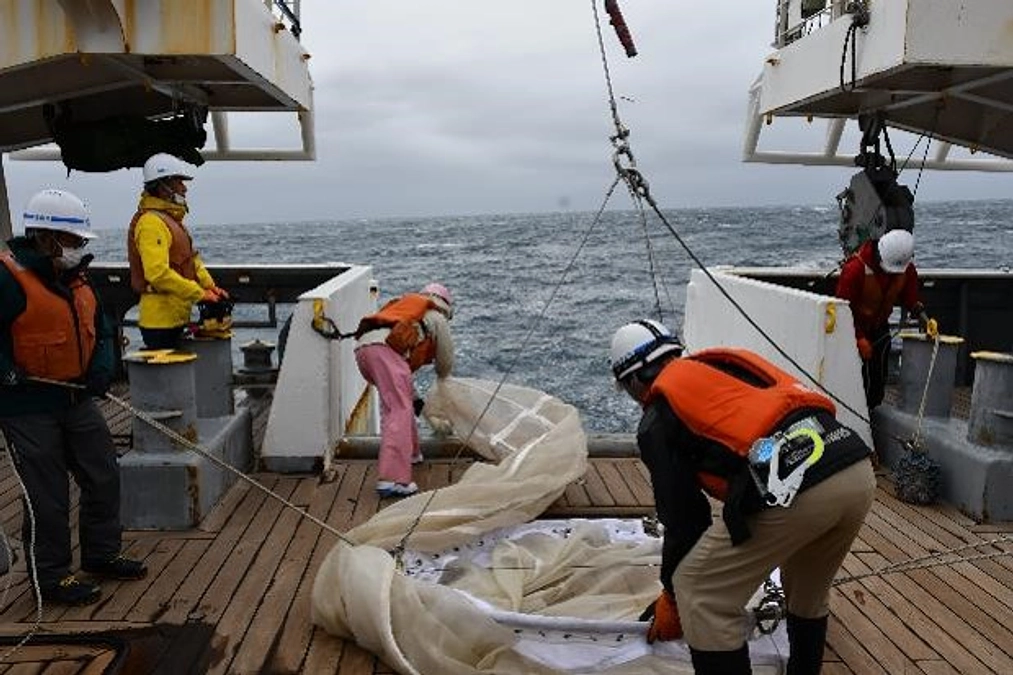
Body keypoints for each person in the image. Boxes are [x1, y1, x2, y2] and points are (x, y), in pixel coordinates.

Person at [609, 320, 875, 674]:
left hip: (802, 486)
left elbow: (686, 520)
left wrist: (672, 597)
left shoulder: (658, 417)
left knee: (702, 593)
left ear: (632, 381)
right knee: (807, 589)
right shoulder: (725, 367)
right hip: (854, 468)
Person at [0, 189, 148, 607]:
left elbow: (100, 328)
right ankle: (51, 577)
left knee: (103, 473)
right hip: (26, 405)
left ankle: (101, 554)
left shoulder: (77, 278)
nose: (78, 249)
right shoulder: (7, 280)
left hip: (76, 398)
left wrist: (102, 367)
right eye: (73, 241)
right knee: (46, 495)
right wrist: (5, 371)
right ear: (46, 239)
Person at [354, 283, 454, 498]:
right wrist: (445, 383)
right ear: (446, 305)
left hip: (364, 351)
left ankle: (411, 454)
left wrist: (417, 398)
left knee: (397, 404)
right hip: (384, 350)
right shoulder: (436, 316)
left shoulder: (406, 310)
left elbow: (404, 382)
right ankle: (393, 480)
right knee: (399, 409)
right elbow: (445, 362)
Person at [127, 152, 227, 350]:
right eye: (179, 182)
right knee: (169, 378)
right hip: (160, 323)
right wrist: (199, 294)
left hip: (176, 316)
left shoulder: (171, 221)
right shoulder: (151, 223)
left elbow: (191, 260)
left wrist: (210, 287)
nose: (184, 188)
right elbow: (157, 274)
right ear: (162, 186)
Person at [835, 228, 937, 409]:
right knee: (855, 380)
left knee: (877, 377)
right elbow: (843, 309)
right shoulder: (854, 270)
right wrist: (858, 338)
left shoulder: (905, 269)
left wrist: (924, 318)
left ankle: (873, 410)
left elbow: (910, 297)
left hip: (879, 330)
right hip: (853, 332)